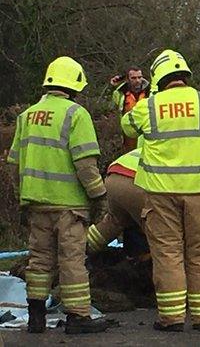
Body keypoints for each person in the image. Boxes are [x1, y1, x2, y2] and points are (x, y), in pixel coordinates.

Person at [122, 49, 200, 332]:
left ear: (157, 78)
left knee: (168, 254)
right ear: (185, 75)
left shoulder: (149, 106)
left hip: (160, 194)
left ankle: (171, 319)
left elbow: (127, 128)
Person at [8, 57, 110, 334]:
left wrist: (22, 198)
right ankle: (78, 316)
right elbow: (85, 164)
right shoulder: (76, 114)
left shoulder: (26, 116)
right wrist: (98, 195)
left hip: (36, 203)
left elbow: (14, 164)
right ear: (75, 84)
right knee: (72, 260)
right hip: (69, 205)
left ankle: (36, 317)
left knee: (39, 260)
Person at [85, 148, 147, 252]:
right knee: (164, 234)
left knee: (114, 222)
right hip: (136, 180)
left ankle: (78, 250)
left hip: (115, 174)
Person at [111, 67, 149, 150]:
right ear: (128, 79)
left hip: (145, 133)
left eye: (140, 77)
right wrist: (113, 87)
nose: (138, 80)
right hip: (128, 135)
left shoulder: (149, 92)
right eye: (133, 78)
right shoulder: (120, 93)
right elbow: (112, 109)